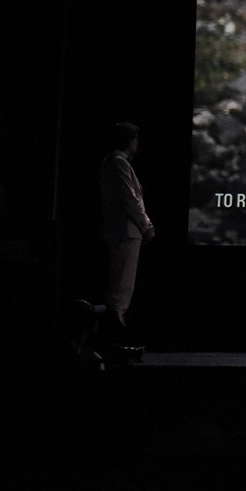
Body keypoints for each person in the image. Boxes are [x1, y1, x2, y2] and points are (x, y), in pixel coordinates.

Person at [98, 121, 153, 357]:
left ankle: (113, 339)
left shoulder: (114, 163)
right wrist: (146, 225)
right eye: (135, 139)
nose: (137, 143)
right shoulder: (118, 163)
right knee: (121, 290)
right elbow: (129, 199)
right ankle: (114, 341)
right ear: (128, 141)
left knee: (121, 289)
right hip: (126, 232)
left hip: (124, 232)